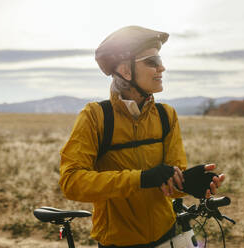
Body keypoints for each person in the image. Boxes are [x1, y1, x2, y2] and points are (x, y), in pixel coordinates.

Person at [59, 26, 225, 248]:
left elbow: (169, 184)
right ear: (126, 71)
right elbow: (72, 182)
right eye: (152, 61)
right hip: (119, 241)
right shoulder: (95, 117)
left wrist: (187, 184)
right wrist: (141, 179)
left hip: (167, 234)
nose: (162, 67)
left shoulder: (166, 115)